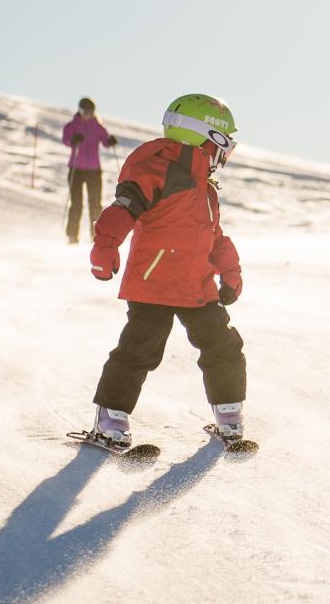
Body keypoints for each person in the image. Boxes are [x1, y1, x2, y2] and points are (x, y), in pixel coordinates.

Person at [84, 94, 250, 447]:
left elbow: (213, 235)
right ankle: (110, 420)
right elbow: (123, 208)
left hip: (196, 287)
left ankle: (229, 416)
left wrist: (230, 270)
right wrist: (106, 245)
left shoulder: (205, 188)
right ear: (208, 136)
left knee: (223, 346)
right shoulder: (158, 168)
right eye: (226, 144)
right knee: (139, 349)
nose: (226, 154)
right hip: (154, 283)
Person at [61, 98, 117, 244]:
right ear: (79, 110)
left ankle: (95, 235)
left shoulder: (98, 126)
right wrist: (74, 139)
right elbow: (66, 140)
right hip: (76, 169)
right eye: (84, 111)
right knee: (76, 202)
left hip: (94, 169)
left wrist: (110, 141)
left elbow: (105, 141)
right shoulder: (71, 126)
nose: (87, 114)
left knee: (95, 202)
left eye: (90, 112)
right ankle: (72, 235)